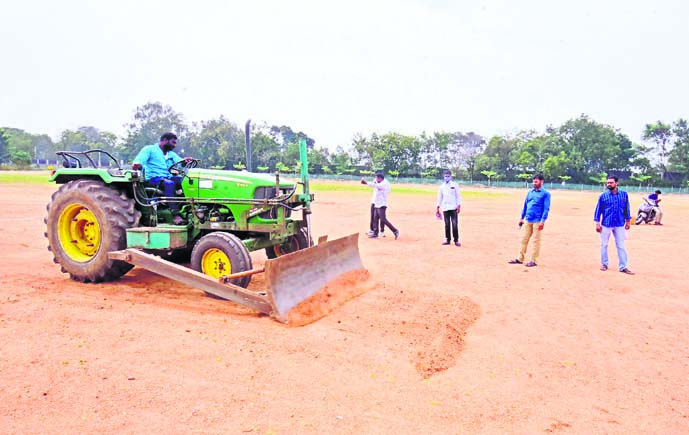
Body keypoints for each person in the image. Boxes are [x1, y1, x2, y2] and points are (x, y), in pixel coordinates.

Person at [132, 132, 193, 225]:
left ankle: (190, 207)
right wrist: (137, 165)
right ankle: (175, 214)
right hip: (153, 179)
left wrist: (185, 162)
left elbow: (180, 163)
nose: (174, 145)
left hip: (167, 177)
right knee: (169, 184)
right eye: (173, 142)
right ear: (165, 140)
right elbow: (138, 162)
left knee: (185, 180)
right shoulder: (149, 150)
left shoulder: (171, 154)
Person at [508, 174, 551, 267]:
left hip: (538, 220)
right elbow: (525, 205)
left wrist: (543, 221)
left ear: (542, 182)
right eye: (533, 181)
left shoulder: (546, 194)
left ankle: (534, 260)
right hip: (528, 219)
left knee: (536, 241)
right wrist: (521, 218)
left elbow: (546, 209)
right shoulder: (530, 192)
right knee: (524, 239)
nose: (534, 183)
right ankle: (520, 258)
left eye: (536, 181)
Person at [594, 176, 634, 274]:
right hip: (606, 224)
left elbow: (626, 209)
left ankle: (623, 266)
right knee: (604, 245)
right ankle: (604, 264)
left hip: (620, 224)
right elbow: (598, 210)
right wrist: (597, 223)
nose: (609, 184)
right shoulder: (603, 196)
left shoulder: (624, 195)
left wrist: (628, 221)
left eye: (611, 183)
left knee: (621, 245)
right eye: (608, 183)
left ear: (616, 183)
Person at [361, 170, 399, 240]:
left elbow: (378, 186)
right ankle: (375, 234)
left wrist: (366, 183)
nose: (376, 180)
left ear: (380, 178)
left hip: (382, 204)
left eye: (377, 178)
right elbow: (375, 184)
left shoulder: (384, 183)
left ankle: (395, 231)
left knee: (383, 219)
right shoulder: (378, 181)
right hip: (376, 203)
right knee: (375, 219)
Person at [436, 169, 462, 246]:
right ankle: (447, 239)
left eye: (448, 176)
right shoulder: (442, 186)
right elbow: (440, 197)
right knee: (447, 224)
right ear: (444, 177)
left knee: (454, 224)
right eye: (445, 176)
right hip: (445, 207)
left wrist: (459, 205)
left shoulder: (454, 185)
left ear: (451, 176)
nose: (446, 177)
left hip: (453, 207)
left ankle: (456, 240)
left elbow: (458, 196)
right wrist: (438, 207)